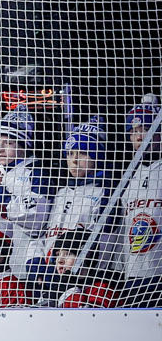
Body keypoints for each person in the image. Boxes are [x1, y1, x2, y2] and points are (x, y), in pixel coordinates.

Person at [26, 118, 116, 301]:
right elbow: (41, 232)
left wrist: (78, 270)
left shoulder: (103, 194)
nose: (74, 160)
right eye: (70, 153)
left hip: (82, 281)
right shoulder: (60, 193)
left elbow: (106, 244)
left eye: (83, 153)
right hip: (49, 276)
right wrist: (36, 261)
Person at [0, 109, 50, 278]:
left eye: (8, 143)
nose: (0, 150)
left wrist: (3, 199)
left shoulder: (35, 172)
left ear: (23, 144)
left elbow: (37, 219)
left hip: (24, 255)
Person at [120, 94, 162, 307]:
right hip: (133, 275)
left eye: (144, 129)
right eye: (133, 131)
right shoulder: (127, 176)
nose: (138, 136)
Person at [41, 229, 117, 308]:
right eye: (58, 255)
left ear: (85, 257)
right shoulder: (55, 286)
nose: (60, 260)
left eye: (68, 254)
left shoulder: (101, 286)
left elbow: (86, 314)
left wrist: (70, 293)